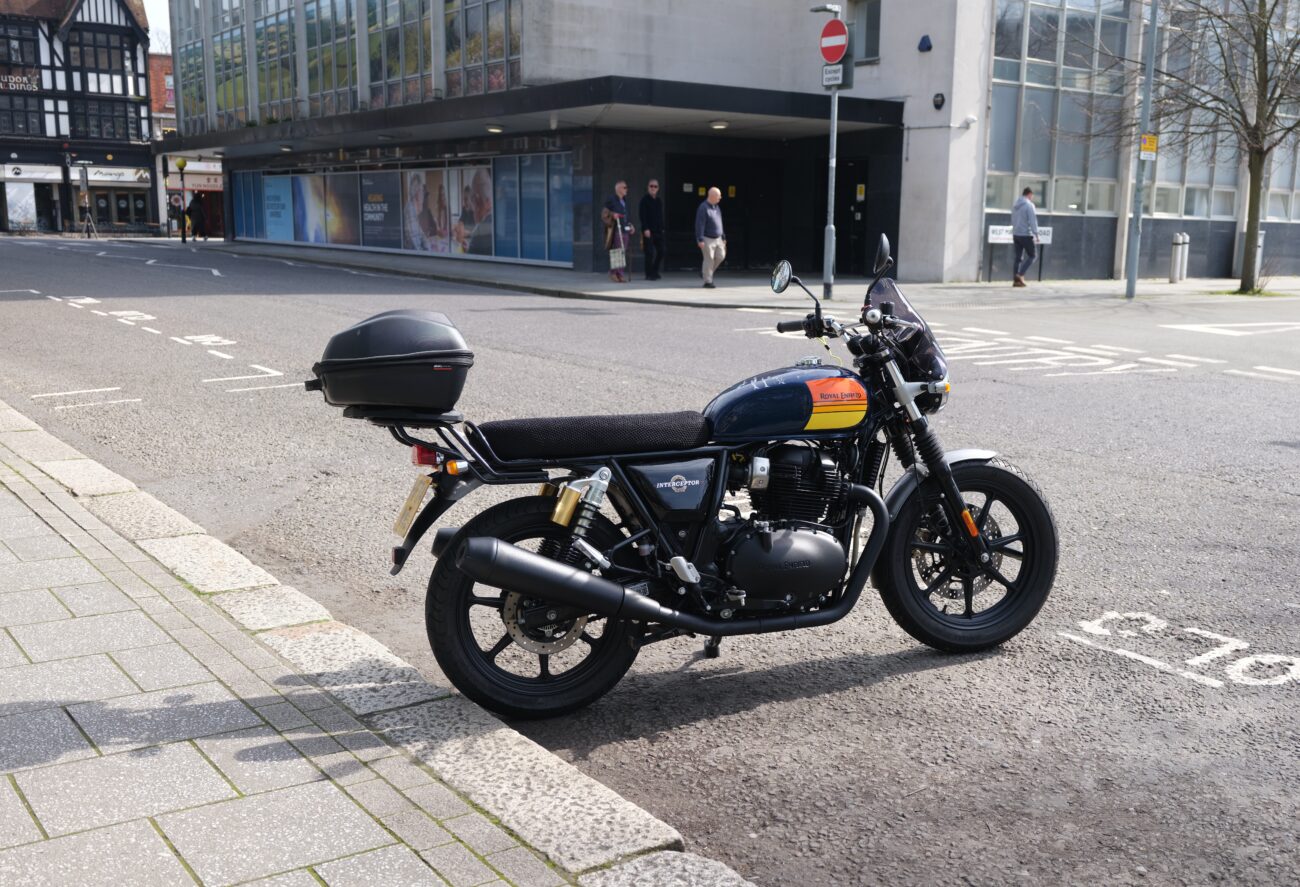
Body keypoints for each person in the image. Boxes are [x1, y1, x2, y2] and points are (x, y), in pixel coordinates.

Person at [602, 180, 635, 282]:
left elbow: (627, 215)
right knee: (617, 251)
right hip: (617, 229)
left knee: (623, 252)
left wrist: (630, 225)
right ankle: (613, 273)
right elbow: (604, 213)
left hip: (625, 229)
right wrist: (613, 215)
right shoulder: (611, 199)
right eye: (624, 187)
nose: (626, 189)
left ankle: (620, 273)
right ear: (618, 189)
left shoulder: (624, 200)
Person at [695, 187, 726, 288]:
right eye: (719, 196)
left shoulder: (717, 207)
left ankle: (705, 272)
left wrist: (723, 236)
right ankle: (708, 281)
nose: (720, 198)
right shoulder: (703, 207)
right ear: (712, 196)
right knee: (709, 259)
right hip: (707, 238)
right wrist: (700, 239)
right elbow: (700, 224)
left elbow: (720, 222)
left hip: (718, 238)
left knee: (721, 256)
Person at [1011, 187, 1040, 287]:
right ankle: (1020, 275)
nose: (1032, 198)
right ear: (1029, 194)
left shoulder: (1015, 205)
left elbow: (1013, 219)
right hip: (1026, 235)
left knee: (1018, 258)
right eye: (1032, 196)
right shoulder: (1029, 205)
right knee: (1033, 255)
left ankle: (1016, 281)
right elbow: (1032, 220)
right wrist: (1036, 233)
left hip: (1016, 234)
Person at [639, 179, 664, 281]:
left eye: (655, 186)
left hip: (658, 231)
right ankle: (649, 274)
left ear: (658, 188)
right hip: (648, 231)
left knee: (662, 251)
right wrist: (645, 228)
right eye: (651, 186)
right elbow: (642, 216)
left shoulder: (659, 201)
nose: (653, 188)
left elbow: (660, 216)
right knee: (649, 253)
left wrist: (662, 228)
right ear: (648, 187)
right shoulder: (644, 200)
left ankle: (655, 271)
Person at [466, 168, 493, 255]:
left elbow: (469, 262)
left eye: (473, 199)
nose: (471, 207)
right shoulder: (498, 221)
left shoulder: (480, 233)